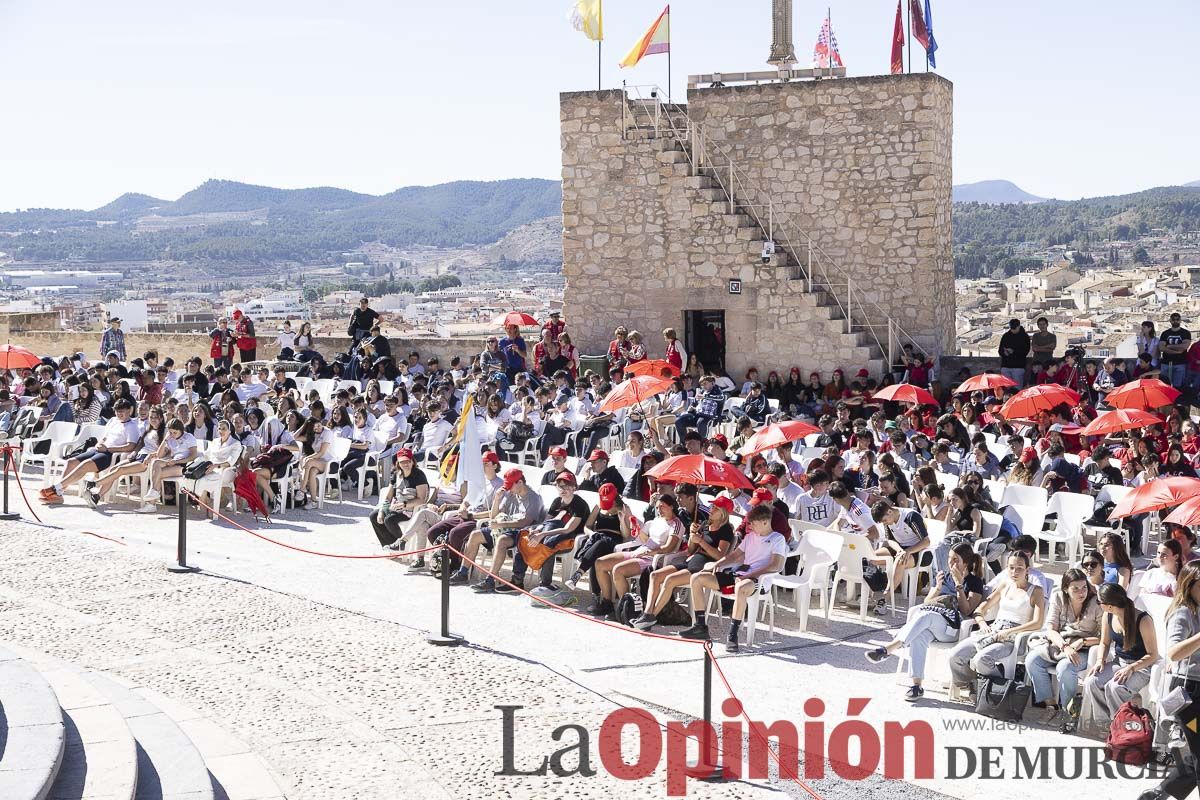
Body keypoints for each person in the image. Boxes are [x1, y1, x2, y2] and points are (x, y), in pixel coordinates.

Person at [864, 542, 986, 701]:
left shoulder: (975, 581)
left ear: (967, 563)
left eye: (956, 560)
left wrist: (959, 586)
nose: (951, 563)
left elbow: (967, 610)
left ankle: (889, 648)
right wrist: (937, 588)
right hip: (934, 621)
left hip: (953, 628)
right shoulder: (944, 575)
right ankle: (916, 686)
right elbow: (927, 603)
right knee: (919, 635)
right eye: (950, 558)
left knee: (925, 617)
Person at [679, 504, 788, 652]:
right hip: (741, 573)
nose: (750, 527)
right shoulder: (750, 537)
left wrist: (749, 575)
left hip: (759, 579)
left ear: (765, 522)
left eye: (753, 524)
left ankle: (732, 635)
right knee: (697, 578)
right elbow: (735, 555)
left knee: (741, 588)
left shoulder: (777, 539)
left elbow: (775, 566)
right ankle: (700, 626)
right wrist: (718, 563)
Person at [632, 495, 735, 631]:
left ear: (723, 513)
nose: (711, 509)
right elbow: (691, 550)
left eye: (715, 507)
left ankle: (652, 616)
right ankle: (647, 613)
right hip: (691, 560)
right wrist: (693, 537)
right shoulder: (705, 525)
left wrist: (701, 541)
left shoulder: (726, 530)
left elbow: (720, 555)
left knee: (669, 580)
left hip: (704, 566)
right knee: (654, 576)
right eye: (712, 506)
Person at [948, 551, 1046, 692]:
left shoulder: (1036, 591)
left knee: (982, 659)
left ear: (1027, 570)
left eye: (1019, 568)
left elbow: (1038, 622)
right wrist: (982, 623)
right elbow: (980, 609)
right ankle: (972, 685)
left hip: (1015, 637)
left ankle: (1002, 691)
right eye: (1011, 567)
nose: (1014, 571)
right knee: (955, 655)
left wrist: (1008, 632)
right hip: (993, 630)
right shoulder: (1005, 584)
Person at [1023, 568, 1103, 731]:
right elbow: (1051, 629)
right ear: (1066, 589)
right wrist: (1064, 646)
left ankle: (1069, 711)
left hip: (1087, 647)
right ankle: (1051, 706)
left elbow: (1105, 638)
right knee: (1032, 661)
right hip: (1061, 644)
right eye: (1076, 589)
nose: (1081, 592)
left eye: (1084, 588)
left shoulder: (1096, 603)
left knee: (1065, 667)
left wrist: (1083, 641)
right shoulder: (1058, 597)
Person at [1079, 583, 1159, 737]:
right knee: (1091, 681)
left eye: (1099, 602)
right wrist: (1100, 660)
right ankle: (1107, 724)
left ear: (1109, 605)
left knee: (1115, 687)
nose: (1098, 605)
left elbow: (1153, 654)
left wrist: (1131, 668)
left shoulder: (1143, 619)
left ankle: (1123, 727)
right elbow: (1104, 642)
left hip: (1141, 667)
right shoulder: (1107, 616)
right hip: (1119, 662)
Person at [590, 494, 684, 618]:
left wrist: (651, 552)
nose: (659, 510)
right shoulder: (655, 521)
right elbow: (644, 539)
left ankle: (626, 609)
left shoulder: (676, 524)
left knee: (618, 570)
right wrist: (637, 528)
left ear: (671, 506)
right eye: (657, 507)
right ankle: (608, 603)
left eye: (662, 507)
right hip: (641, 552)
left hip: (653, 558)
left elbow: (669, 547)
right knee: (600, 563)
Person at [39, 399, 140, 504]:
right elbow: (105, 437)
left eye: (122, 411)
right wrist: (99, 444)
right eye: (117, 411)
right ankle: (58, 494)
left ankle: (55, 488)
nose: (120, 414)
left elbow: (131, 446)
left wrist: (108, 449)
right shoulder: (114, 421)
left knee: (85, 465)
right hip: (101, 450)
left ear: (129, 411)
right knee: (71, 462)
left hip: (111, 455)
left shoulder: (132, 426)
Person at [508, 470, 590, 595]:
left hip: (571, 538)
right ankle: (517, 580)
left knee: (548, 544)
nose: (563, 489)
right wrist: (537, 530)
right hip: (550, 533)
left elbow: (568, 529)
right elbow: (546, 521)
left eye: (566, 486)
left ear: (574, 487)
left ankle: (545, 584)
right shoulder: (557, 501)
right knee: (524, 539)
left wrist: (542, 534)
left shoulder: (580, 504)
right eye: (559, 486)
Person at [470, 469, 547, 593]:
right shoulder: (511, 494)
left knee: (502, 540)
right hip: (505, 528)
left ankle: (490, 579)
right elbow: (494, 516)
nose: (509, 489)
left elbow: (525, 522)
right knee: (475, 535)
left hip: (523, 532)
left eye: (511, 485)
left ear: (520, 482)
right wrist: (496, 500)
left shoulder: (534, 498)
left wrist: (500, 524)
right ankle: (463, 571)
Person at [871, 500, 931, 608]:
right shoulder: (889, 520)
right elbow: (890, 540)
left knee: (900, 561)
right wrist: (899, 549)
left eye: (884, 521)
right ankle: (871, 590)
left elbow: (926, 541)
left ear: (889, 512)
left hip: (919, 550)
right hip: (901, 547)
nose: (884, 523)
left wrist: (908, 551)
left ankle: (885, 598)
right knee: (870, 557)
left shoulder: (910, 516)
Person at [371, 448, 430, 549]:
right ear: (398, 463)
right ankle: (388, 545)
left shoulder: (419, 475)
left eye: (408, 461)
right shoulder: (396, 474)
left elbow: (421, 499)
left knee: (389, 519)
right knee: (374, 516)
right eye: (402, 462)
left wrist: (404, 504)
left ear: (412, 461)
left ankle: (400, 545)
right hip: (395, 507)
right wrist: (381, 511)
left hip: (410, 509)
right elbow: (388, 496)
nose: (405, 464)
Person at [1160, 312, 1191, 392]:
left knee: (1178, 386)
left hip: (1180, 363)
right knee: (1164, 385)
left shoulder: (1186, 333)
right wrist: (1177, 351)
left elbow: (1184, 346)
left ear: (1180, 320)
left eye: (1177, 319)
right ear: (1170, 321)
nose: (1175, 321)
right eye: (1173, 319)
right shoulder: (1165, 333)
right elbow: (1161, 348)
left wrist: (1169, 346)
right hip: (1166, 363)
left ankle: (1176, 402)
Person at [998, 319, 1030, 388]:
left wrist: (1013, 351)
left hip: (1018, 367)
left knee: (1017, 389)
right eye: (1012, 328)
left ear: (1019, 326)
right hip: (1006, 366)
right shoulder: (1005, 336)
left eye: (1014, 328)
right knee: (1006, 390)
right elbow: (1000, 350)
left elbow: (1025, 351)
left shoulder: (1025, 337)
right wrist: (1004, 353)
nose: (1013, 330)